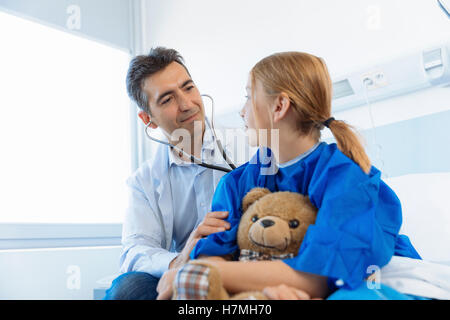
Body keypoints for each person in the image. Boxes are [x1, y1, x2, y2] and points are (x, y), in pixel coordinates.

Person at [156, 51, 422, 300]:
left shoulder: (348, 178)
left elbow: (317, 277)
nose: (241, 111)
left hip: (372, 280)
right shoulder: (236, 184)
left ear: (279, 106)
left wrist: (188, 273)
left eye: (248, 96)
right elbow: (215, 257)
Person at [104, 47, 231, 300]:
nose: (186, 104)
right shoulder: (143, 181)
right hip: (183, 273)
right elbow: (134, 250)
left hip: (239, 263)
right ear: (147, 119)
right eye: (167, 99)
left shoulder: (250, 148)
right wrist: (180, 261)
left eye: (188, 87)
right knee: (127, 289)